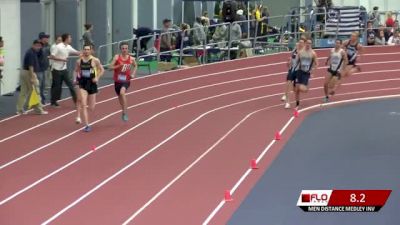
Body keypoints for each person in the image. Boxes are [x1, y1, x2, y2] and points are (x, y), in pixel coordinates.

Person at [74, 44, 104, 132]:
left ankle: (81, 112)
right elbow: (76, 71)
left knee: (91, 107)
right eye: (85, 49)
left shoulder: (95, 60)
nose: (86, 51)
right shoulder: (79, 61)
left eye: (88, 49)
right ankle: (87, 125)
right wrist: (75, 79)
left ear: (91, 51)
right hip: (83, 83)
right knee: (83, 103)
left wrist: (97, 77)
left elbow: (102, 70)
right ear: (83, 50)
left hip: (92, 83)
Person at [16, 40, 48, 115]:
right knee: (36, 91)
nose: (39, 48)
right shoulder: (31, 53)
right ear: (34, 45)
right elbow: (31, 66)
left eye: (40, 46)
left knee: (23, 92)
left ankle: (19, 109)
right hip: (29, 73)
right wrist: (32, 77)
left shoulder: (31, 52)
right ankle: (38, 110)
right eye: (38, 46)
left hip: (23, 72)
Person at [49, 33, 80, 107]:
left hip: (64, 70)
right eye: (70, 38)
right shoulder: (58, 47)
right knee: (57, 87)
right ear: (66, 39)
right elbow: (51, 56)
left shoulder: (68, 47)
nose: (71, 39)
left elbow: (77, 52)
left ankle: (76, 103)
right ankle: (53, 101)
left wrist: (86, 52)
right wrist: (61, 59)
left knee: (71, 85)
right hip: (56, 69)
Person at [109, 42, 137, 121]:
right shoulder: (117, 57)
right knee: (120, 98)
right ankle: (123, 111)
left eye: (126, 48)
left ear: (128, 49)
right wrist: (118, 65)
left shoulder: (131, 59)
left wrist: (133, 74)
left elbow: (135, 65)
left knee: (122, 93)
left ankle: (125, 112)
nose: (124, 50)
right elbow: (110, 67)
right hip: (117, 81)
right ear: (120, 49)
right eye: (123, 48)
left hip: (126, 80)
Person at [294, 39, 318, 108]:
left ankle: (306, 89)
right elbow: (297, 61)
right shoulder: (301, 52)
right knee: (297, 89)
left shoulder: (313, 53)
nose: (308, 44)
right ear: (305, 43)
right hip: (300, 71)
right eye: (307, 43)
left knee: (302, 88)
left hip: (306, 73)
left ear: (311, 44)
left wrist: (312, 71)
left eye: (310, 43)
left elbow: (316, 64)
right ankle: (297, 104)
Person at [282, 39, 304, 109]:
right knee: (288, 83)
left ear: (303, 44)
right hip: (292, 70)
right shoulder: (295, 50)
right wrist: (289, 63)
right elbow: (291, 58)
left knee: (295, 89)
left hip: (299, 71)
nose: (300, 44)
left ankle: (297, 103)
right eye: (299, 42)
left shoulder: (304, 52)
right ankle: (287, 102)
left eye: (301, 43)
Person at [37, 32, 51, 104]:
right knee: (39, 85)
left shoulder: (48, 46)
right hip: (38, 69)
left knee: (43, 85)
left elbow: (51, 54)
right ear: (42, 38)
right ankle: (38, 101)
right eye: (46, 37)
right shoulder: (38, 46)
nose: (48, 39)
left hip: (45, 68)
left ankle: (42, 100)